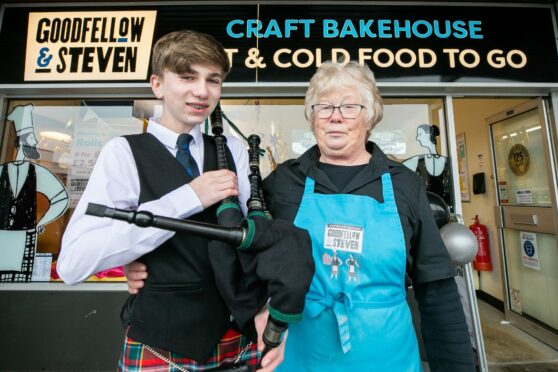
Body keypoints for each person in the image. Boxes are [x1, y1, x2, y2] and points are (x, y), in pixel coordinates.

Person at [127, 61, 475, 371]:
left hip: (386, 357)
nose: (335, 116)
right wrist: (148, 261)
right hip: (296, 356)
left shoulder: (405, 186)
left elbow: (437, 292)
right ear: (311, 117)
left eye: (350, 106)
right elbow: (232, 250)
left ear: (370, 116)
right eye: (323, 106)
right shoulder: (281, 184)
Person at [57, 30, 283, 371]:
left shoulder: (233, 150)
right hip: (160, 346)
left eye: (213, 80)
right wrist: (189, 196)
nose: (202, 91)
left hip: (238, 342)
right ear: (157, 84)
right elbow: (73, 265)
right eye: (187, 77)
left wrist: (268, 305)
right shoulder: (124, 152)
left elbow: (259, 243)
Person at [1, 104, 69, 282]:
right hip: (3, 237)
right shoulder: (3, 170)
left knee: (21, 278)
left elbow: (60, 198)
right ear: (20, 142)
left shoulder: (38, 173)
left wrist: (41, 221)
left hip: (26, 235)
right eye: (32, 138)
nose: (35, 142)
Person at [403, 124, 453, 210]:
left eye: (420, 134)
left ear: (428, 135)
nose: (417, 138)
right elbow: (396, 168)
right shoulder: (418, 160)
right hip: (425, 210)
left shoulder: (446, 161)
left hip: (444, 210)